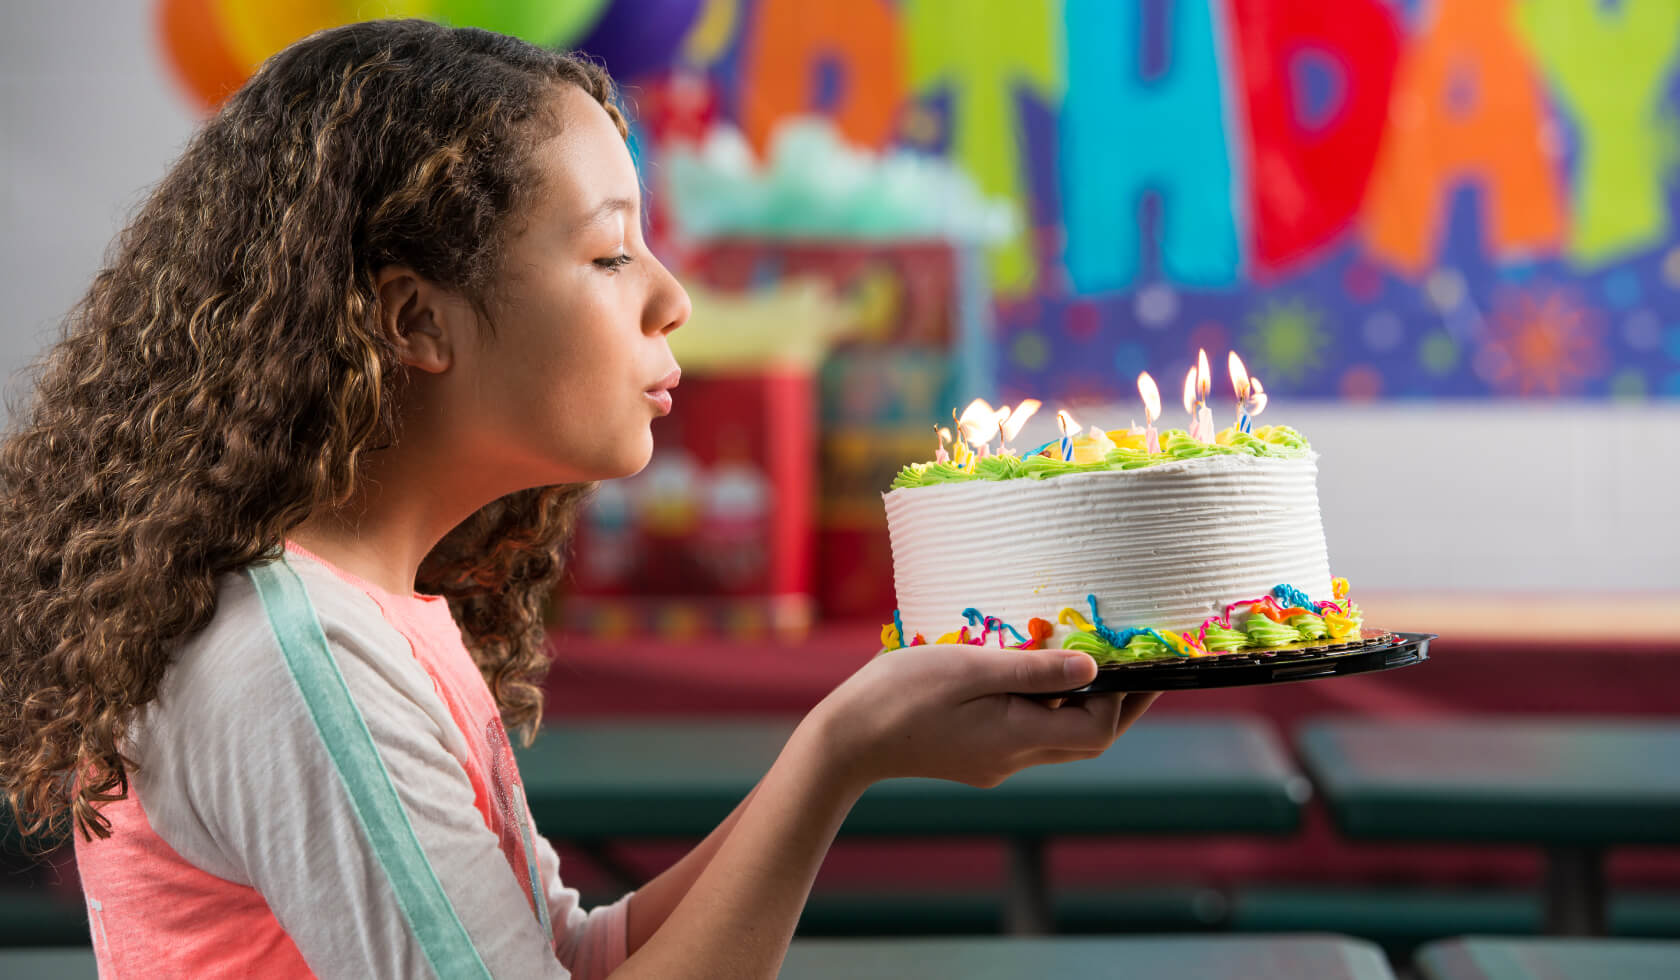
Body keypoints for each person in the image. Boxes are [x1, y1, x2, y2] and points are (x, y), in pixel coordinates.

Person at [0, 20, 1158, 978]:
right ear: (412, 320)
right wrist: (840, 751)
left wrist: (843, 748)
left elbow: (569, 955)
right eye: (610, 255)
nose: (672, 299)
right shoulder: (299, 662)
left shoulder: (374, 611)